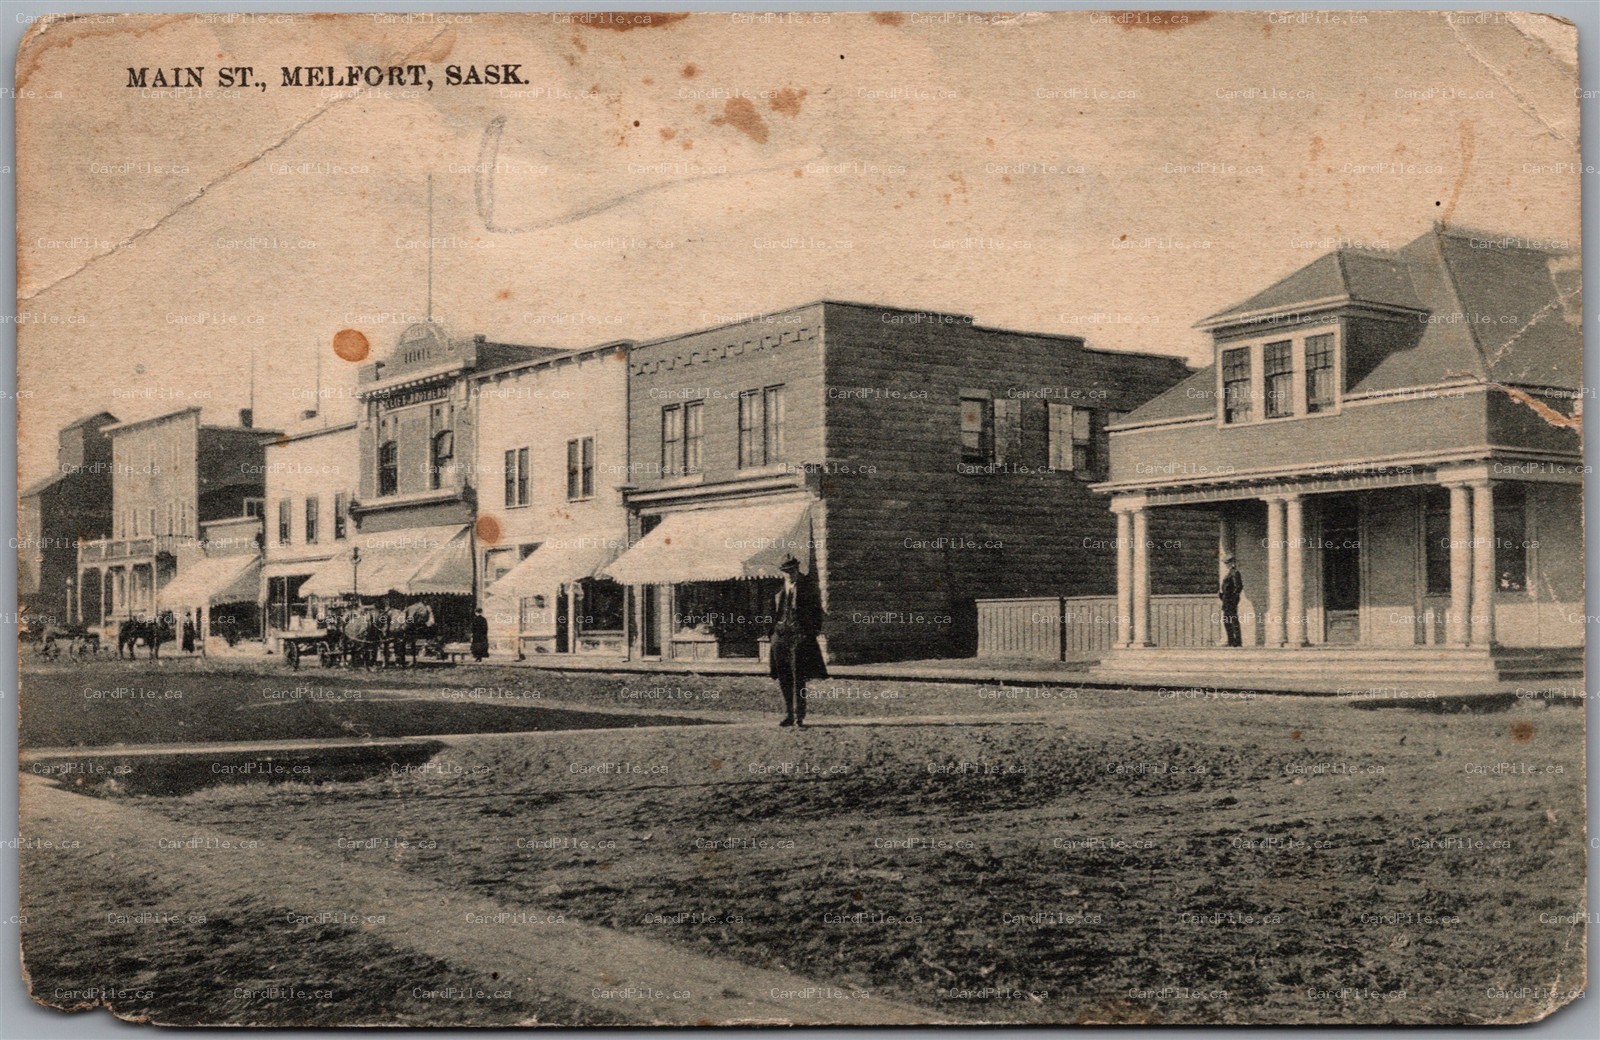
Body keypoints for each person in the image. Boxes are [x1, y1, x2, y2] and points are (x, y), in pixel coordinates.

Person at [770, 555, 827, 728]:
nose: (790, 575)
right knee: (783, 676)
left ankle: (799, 716)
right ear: (782, 573)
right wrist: (772, 634)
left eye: (792, 571)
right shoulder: (778, 590)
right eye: (786, 572)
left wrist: (808, 634)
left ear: (797, 570)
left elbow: (817, 614)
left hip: (798, 638)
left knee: (798, 677)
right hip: (780, 638)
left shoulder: (807, 588)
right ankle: (788, 714)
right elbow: (772, 614)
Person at [1219, 553, 1244, 647]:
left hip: (1230, 601)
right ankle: (1231, 640)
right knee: (1227, 621)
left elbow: (1239, 586)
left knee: (1232, 620)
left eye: (1228, 562)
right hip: (1226, 600)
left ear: (1232, 562)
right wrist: (1222, 595)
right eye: (1226, 563)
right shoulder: (1230, 573)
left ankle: (1236, 641)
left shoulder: (1234, 573)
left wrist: (1233, 598)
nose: (1227, 564)